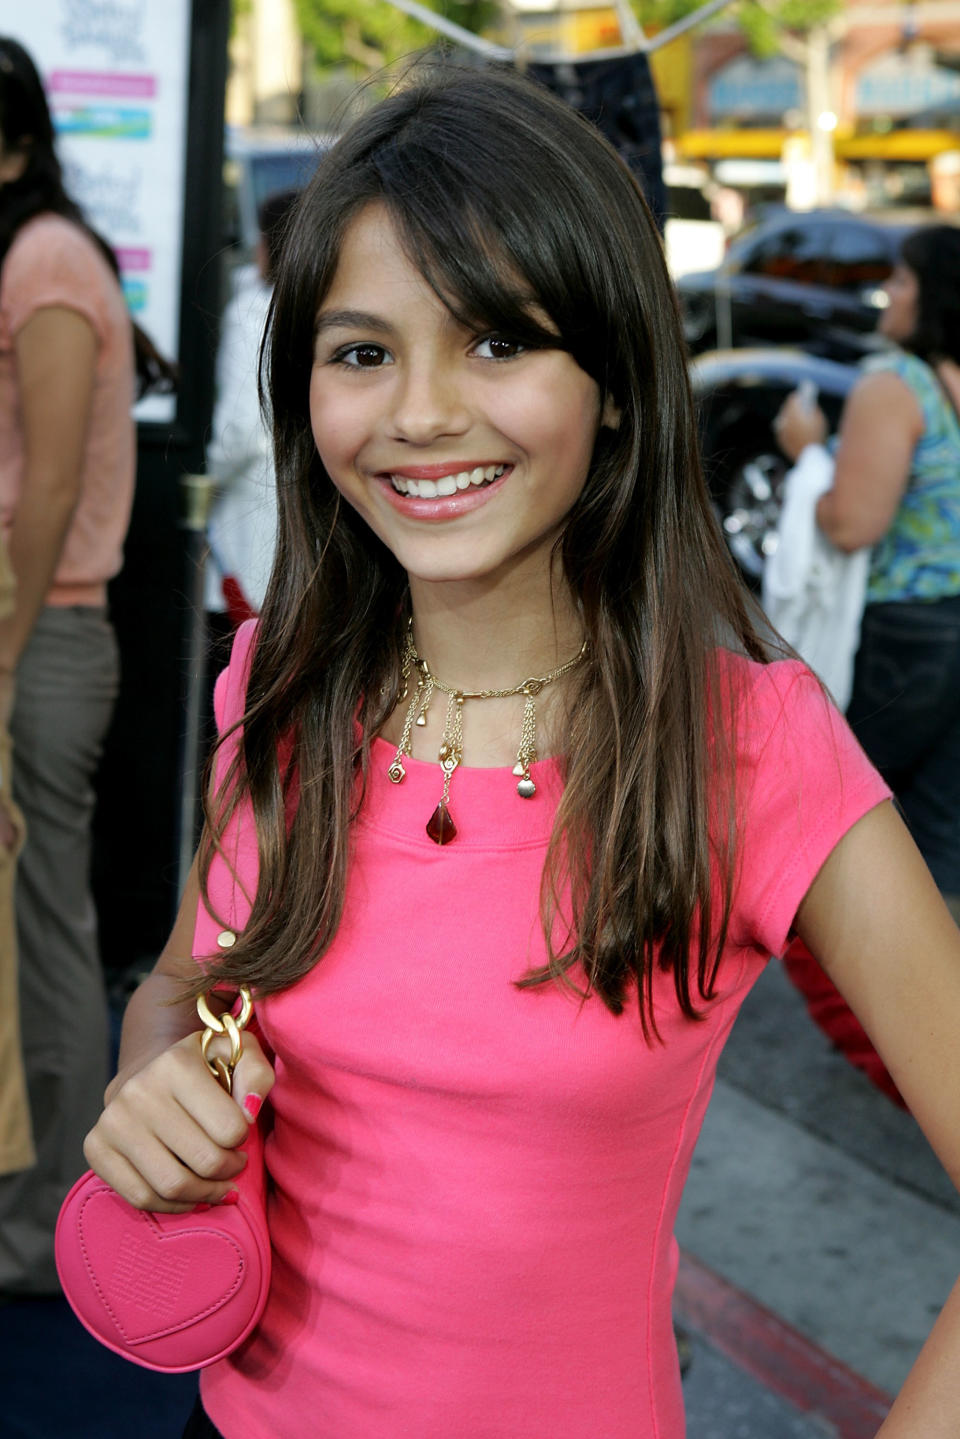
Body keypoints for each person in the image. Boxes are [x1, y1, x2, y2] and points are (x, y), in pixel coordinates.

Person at [85, 68, 960, 1439]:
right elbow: (184, 986)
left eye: (497, 342)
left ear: (614, 383)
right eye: (363, 350)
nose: (422, 410)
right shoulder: (286, 683)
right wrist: (155, 1087)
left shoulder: (747, 744)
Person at [0, 35, 170, 1292]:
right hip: (30, 626)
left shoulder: (45, 256)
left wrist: (0, 661)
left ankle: (41, 1225)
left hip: (38, 629)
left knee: (44, 924)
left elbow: (50, 479)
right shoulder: (38, 248)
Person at [776, 226, 960, 1103]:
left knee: (840, 832)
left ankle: (898, 1042)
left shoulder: (899, 386)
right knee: (941, 845)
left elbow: (853, 523)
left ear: (929, 289)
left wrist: (807, 449)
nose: (886, 291)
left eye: (898, 277)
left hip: (910, 637)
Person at [205, 188, 300, 647]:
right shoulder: (324, 311)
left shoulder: (251, 313)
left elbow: (239, 430)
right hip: (311, 529)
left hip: (253, 522)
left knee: (242, 675)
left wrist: (205, 474)